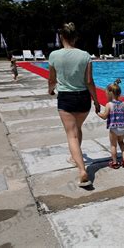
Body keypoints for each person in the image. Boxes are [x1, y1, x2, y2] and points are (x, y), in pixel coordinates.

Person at [48, 23, 100, 187]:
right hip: (83, 98)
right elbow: (90, 82)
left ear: (61, 37)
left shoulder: (54, 55)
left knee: (71, 135)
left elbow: (52, 80)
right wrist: (97, 101)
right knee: (77, 129)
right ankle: (74, 157)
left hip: (66, 99)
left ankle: (82, 170)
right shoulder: (85, 55)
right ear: (75, 37)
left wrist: (50, 90)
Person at [97, 79, 124, 168]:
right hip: (123, 127)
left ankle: (114, 162)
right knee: (121, 142)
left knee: (113, 145)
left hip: (113, 128)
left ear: (110, 93)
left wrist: (97, 112)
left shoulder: (109, 104)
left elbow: (105, 116)